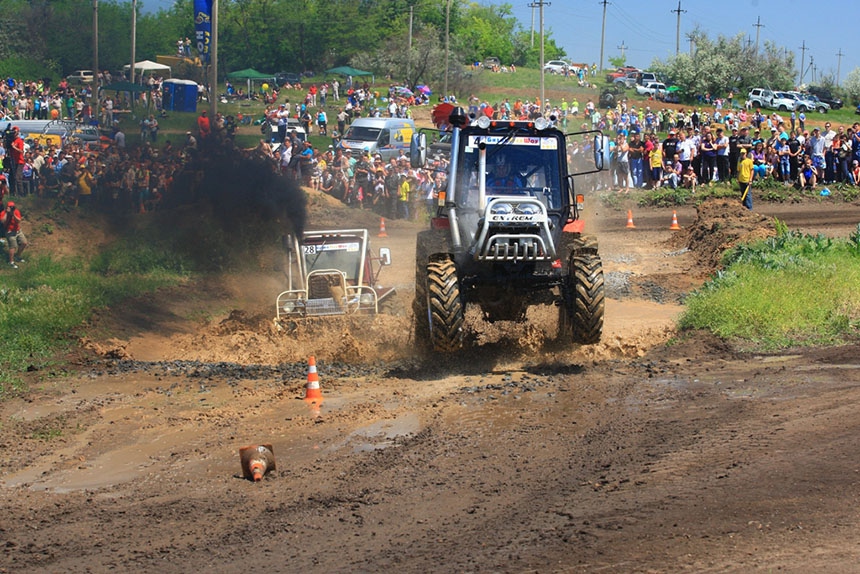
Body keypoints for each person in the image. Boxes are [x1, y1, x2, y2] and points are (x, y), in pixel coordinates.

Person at [2, 201, 28, 268]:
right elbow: (2, 221)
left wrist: (13, 214)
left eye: (12, 207)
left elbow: (19, 220)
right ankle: (11, 262)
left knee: (24, 242)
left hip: (17, 230)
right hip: (9, 232)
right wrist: (7, 213)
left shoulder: (16, 211)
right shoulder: (3, 213)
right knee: (12, 246)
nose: (11, 208)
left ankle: (18, 256)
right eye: (10, 207)